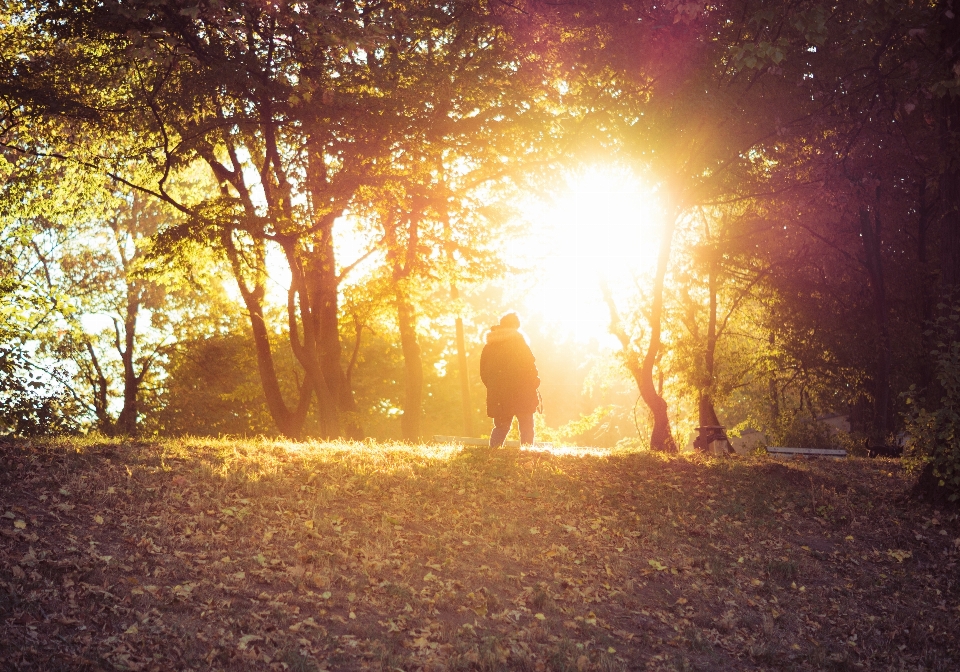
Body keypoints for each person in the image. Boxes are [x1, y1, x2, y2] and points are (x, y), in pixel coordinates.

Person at [480, 311, 541, 448]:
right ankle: (526, 455)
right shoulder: (519, 343)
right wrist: (534, 382)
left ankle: (493, 455)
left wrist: (495, 387)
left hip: (499, 396)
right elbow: (530, 367)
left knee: (501, 427)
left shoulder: (489, 347)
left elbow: (484, 373)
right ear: (515, 326)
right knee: (526, 427)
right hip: (522, 393)